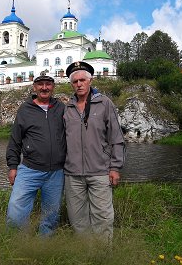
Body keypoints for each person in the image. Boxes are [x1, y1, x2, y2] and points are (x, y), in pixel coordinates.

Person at [63, 61, 125, 241]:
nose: (79, 84)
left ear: (90, 81)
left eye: (82, 80)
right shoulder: (67, 107)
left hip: (100, 172)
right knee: (77, 219)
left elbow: (117, 137)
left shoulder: (105, 103)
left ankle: (103, 254)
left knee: (103, 217)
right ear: (71, 84)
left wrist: (115, 168)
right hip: (72, 174)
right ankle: (86, 252)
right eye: (75, 82)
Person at [6, 75, 66, 236]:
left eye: (48, 84)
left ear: (53, 87)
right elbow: (15, 140)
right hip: (29, 169)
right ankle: (15, 241)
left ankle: (44, 245)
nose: (44, 88)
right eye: (40, 85)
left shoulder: (61, 108)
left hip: (56, 172)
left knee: (51, 214)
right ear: (34, 87)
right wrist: (12, 166)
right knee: (16, 208)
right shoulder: (25, 110)